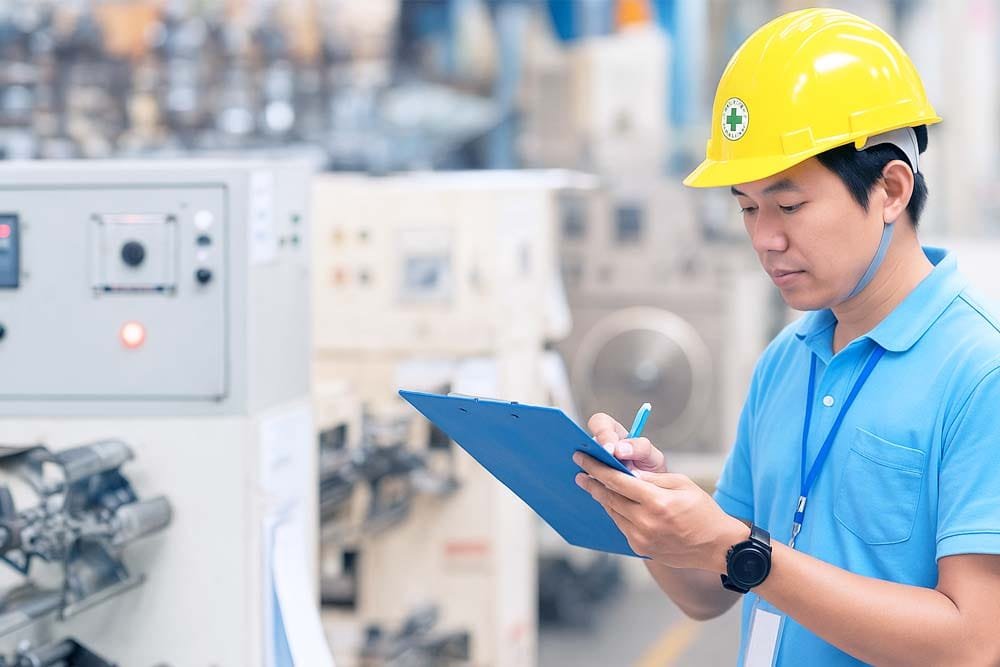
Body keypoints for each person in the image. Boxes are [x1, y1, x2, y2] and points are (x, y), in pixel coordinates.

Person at [572, 8, 1000, 666]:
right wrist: (648, 514)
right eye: (746, 207)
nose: (766, 239)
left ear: (890, 189)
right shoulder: (786, 360)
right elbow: (709, 594)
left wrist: (746, 552)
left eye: (789, 205)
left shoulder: (979, 372)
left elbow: (975, 643)